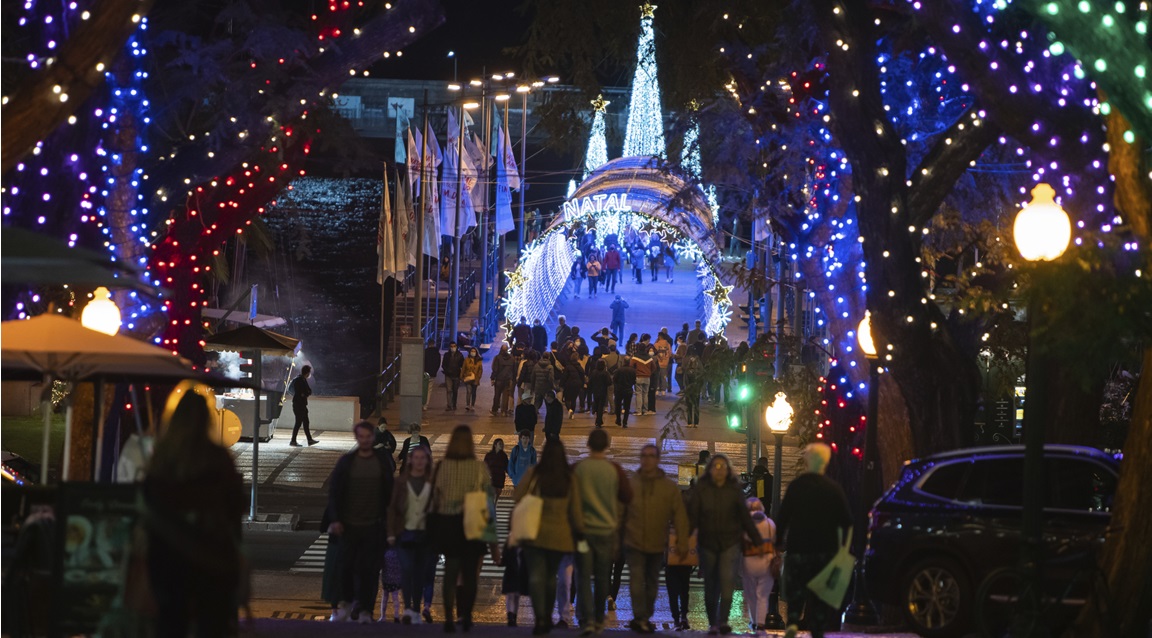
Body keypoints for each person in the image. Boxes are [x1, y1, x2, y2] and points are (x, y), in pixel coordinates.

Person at [144, 391, 245, 637]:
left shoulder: (162, 457)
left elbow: (150, 498)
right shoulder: (217, 458)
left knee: (170, 620)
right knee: (212, 623)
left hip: (167, 553)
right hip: (211, 554)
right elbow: (236, 503)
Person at [777, 443, 853, 638]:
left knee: (796, 590)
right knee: (820, 596)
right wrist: (844, 548)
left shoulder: (797, 487)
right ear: (825, 463)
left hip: (798, 547)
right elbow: (846, 521)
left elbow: (783, 517)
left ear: (807, 461)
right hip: (825, 551)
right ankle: (817, 628)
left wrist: (777, 544)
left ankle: (793, 621)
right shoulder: (833, 489)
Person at [325, 420, 396, 623]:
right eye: (361, 437)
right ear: (357, 438)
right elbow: (335, 492)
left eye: (368, 437)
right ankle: (347, 603)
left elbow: (389, 492)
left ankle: (366, 610)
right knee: (346, 567)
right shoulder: (347, 462)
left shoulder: (382, 461)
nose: (365, 440)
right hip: (349, 525)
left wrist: (389, 524)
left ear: (372, 438)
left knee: (370, 570)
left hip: (374, 525)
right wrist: (336, 519)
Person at [513, 438, 586, 636]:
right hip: (560, 537)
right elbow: (577, 512)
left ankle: (541, 618)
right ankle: (550, 615)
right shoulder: (570, 479)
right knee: (551, 576)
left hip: (534, 534)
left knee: (537, 575)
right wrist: (580, 532)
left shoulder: (534, 474)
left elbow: (517, 495)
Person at [427, 425, 493, 632]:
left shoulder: (442, 466)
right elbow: (487, 499)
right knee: (470, 573)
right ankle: (466, 615)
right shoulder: (479, 468)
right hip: (472, 521)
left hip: (448, 523)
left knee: (450, 571)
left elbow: (435, 498)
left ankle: (448, 617)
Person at [689, 453, 763, 635]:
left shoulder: (734, 490)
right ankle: (713, 622)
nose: (719, 470)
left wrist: (757, 540)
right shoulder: (702, 489)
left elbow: (744, 518)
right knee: (711, 585)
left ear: (728, 470)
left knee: (727, 583)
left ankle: (723, 621)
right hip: (708, 543)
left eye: (723, 466)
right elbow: (693, 516)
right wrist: (684, 538)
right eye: (716, 466)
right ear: (710, 469)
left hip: (730, 543)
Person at [623, 444, 689, 633]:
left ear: (657, 459)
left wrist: (682, 540)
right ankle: (638, 616)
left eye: (651, 456)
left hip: (656, 543)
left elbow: (680, 516)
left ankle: (645, 615)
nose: (647, 459)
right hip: (634, 541)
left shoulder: (668, 487)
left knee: (652, 582)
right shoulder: (632, 483)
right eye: (643, 455)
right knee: (636, 579)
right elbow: (621, 511)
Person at [571, 429, 633, 634]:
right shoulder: (614, 469)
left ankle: (586, 619)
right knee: (602, 577)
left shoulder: (579, 468)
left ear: (588, 444)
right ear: (607, 445)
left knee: (582, 575)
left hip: (583, 532)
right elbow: (627, 495)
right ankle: (598, 619)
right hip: (607, 532)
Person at [386, 444, 436, 624]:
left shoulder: (432, 482)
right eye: (417, 458)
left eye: (423, 458)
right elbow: (392, 508)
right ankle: (407, 608)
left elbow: (438, 509)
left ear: (427, 461)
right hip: (404, 532)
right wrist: (391, 532)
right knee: (406, 570)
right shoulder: (401, 482)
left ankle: (416, 609)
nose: (420, 461)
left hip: (425, 534)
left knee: (419, 574)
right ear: (411, 460)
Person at [742, 497, 778, 632]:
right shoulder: (770, 523)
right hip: (767, 561)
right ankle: (761, 623)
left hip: (749, 561)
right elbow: (774, 539)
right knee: (763, 595)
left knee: (751, 595)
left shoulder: (744, 523)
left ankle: (754, 621)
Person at [289, 364, 317, 446]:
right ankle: (293, 441)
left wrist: (305, 393)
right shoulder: (300, 380)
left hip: (302, 404)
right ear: (307, 373)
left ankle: (309, 440)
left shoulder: (303, 379)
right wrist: (305, 393)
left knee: (306, 422)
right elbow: (301, 393)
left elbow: (308, 391)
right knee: (298, 423)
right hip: (299, 405)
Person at [491, 342, 517, 417]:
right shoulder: (512, 358)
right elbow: (514, 370)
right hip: (508, 380)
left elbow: (494, 369)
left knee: (497, 395)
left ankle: (495, 410)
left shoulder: (497, 358)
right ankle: (504, 411)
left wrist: (492, 378)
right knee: (506, 396)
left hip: (499, 379)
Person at [585, 359, 612, 428]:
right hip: (603, 391)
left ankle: (596, 415)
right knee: (601, 406)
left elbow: (590, 382)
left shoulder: (594, 372)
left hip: (595, 391)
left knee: (597, 404)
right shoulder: (605, 373)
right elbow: (609, 382)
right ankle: (599, 420)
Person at [612, 354, 637, 428]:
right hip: (628, 390)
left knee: (618, 405)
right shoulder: (633, 370)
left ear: (623, 362)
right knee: (627, 407)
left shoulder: (619, 370)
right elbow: (634, 380)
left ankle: (618, 419)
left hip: (619, 390)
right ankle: (625, 422)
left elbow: (614, 379)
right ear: (629, 362)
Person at [630, 344, 654, 417]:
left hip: (638, 377)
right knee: (645, 394)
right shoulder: (649, 358)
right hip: (647, 378)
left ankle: (638, 410)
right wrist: (649, 373)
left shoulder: (635, 357)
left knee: (639, 394)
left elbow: (631, 366)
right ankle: (645, 410)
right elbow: (654, 367)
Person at [441, 342, 465, 412]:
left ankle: (454, 404)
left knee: (455, 390)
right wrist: (446, 370)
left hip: (456, 375)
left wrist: (461, 374)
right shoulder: (446, 355)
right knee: (449, 390)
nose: (453, 348)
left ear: (456, 347)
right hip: (448, 375)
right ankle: (449, 405)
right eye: (451, 346)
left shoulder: (460, 355)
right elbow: (443, 365)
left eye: (454, 346)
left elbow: (462, 365)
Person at [461, 347, 483, 411]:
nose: (473, 352)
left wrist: (478, 377)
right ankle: (467, 404)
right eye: (472, 351)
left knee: (473, 392)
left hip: (475, 379)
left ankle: (472, 405)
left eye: (474, 351)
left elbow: (480, 370)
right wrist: (462, 376)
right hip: (468, 378)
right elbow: (463, 368)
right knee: (468, 391)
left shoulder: (479, 361)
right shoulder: (466, 360)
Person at [424, 340, 442, 410]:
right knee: (429, 389)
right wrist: (435, 371)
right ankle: (426, 405)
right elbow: (438, 363)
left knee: (423, 389)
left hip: (425, 373)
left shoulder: (425, 352)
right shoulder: (437, 353)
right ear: (434, 344)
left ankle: (423, 403)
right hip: (432, 374)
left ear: (428, 344)